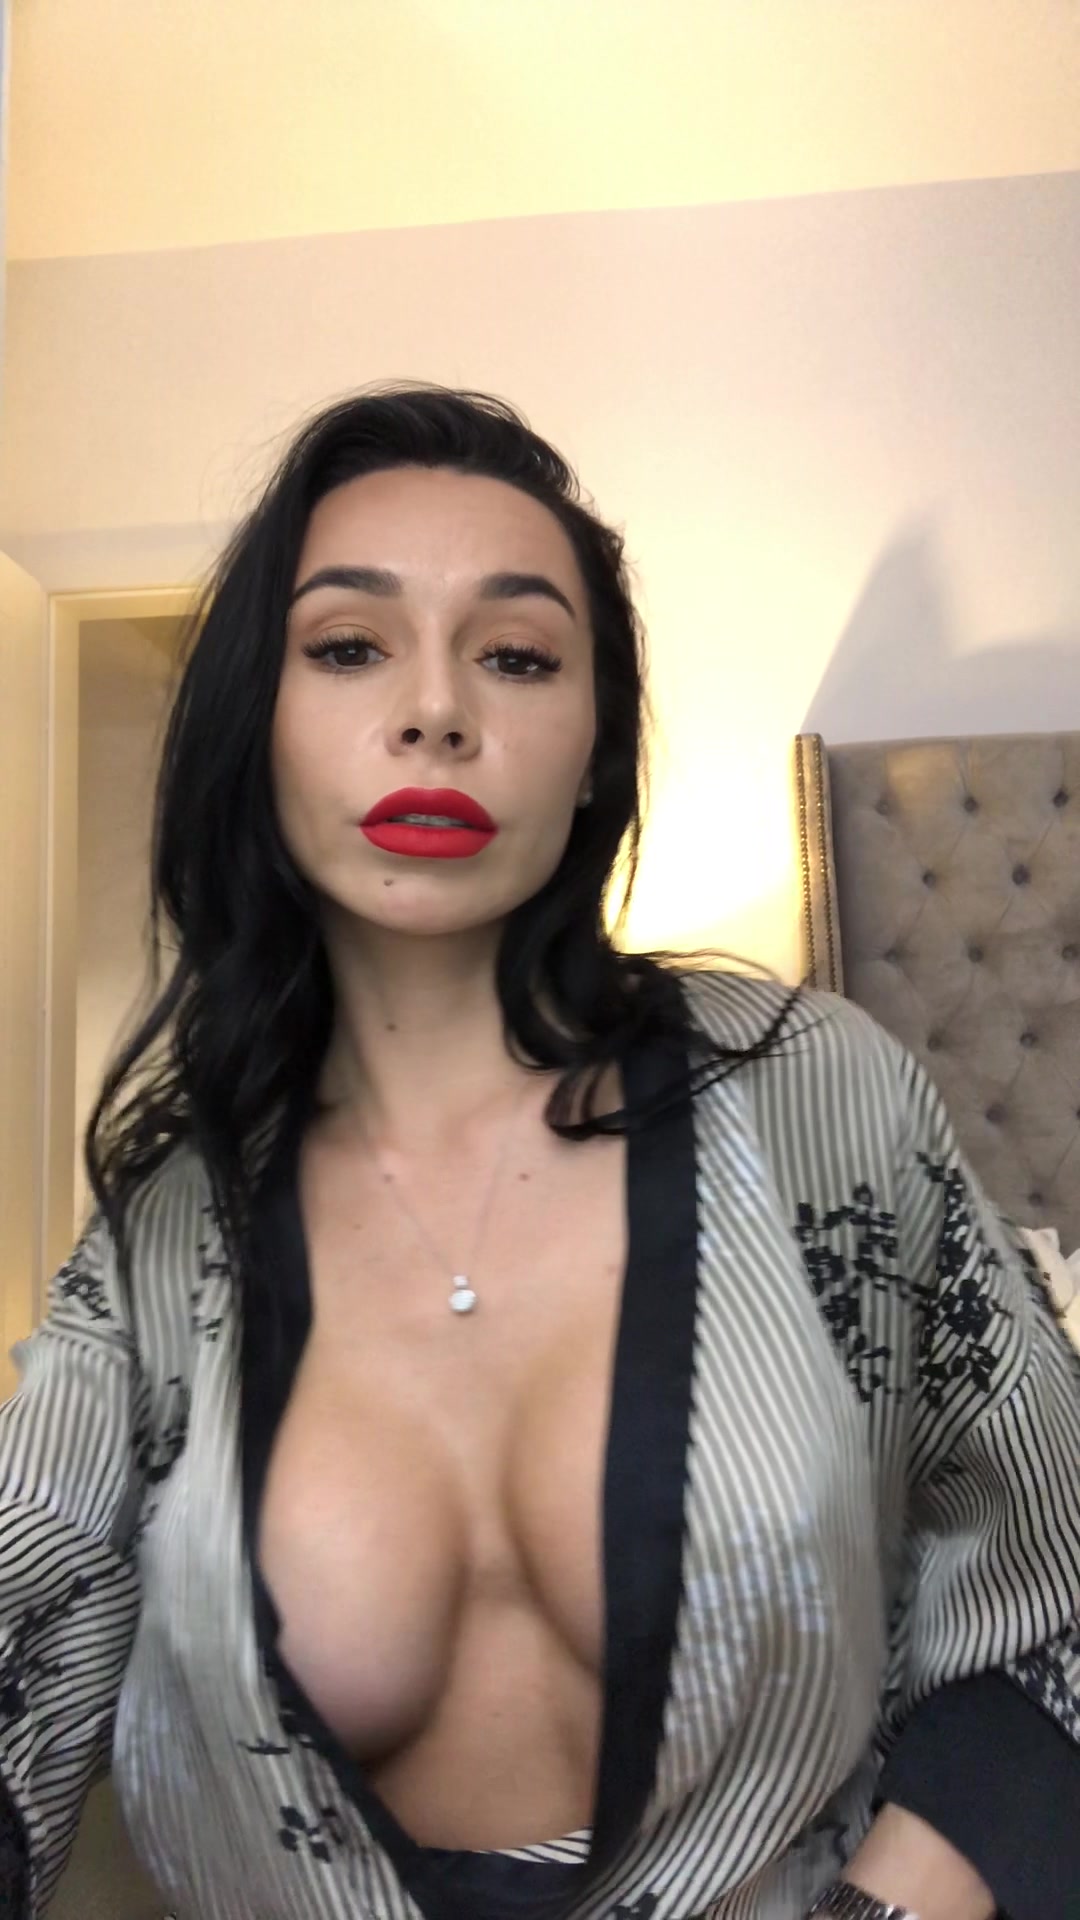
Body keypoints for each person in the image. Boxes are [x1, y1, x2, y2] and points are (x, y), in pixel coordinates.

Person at [1, 385, 1078, 1920]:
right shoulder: (166, 1238)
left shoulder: (813, 1094)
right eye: (350, 646)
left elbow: (1057, 1550)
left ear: (590, 755)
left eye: (515, 656)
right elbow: (26, 1611)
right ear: (260, 731)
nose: (437, 710)